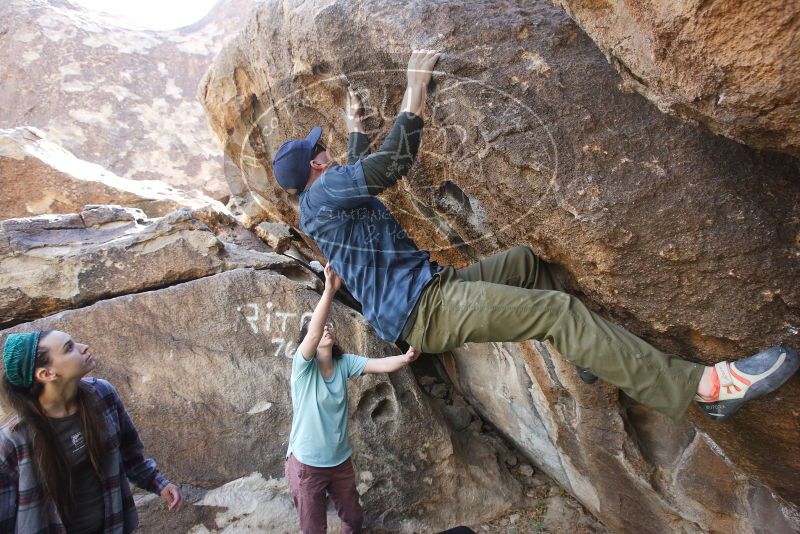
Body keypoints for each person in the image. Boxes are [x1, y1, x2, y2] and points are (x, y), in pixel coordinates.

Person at [270, 49, 799, 421]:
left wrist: (356, 124)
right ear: (317, 166)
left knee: (525, 261)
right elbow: (391, 165)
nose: (329, 152)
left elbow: (357, 172)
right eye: (323, 151)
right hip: (425, 307)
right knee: (557, 312)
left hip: (424, 297)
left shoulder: (315, 205)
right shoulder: (324, 194)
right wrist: (414, 89)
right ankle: (708, 389)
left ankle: (595, 354)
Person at [0, 330, 183, 533]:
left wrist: (158, 483)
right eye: (69, 348)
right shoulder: (13, 440)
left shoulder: (103, 395)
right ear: (46, 374)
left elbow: (130, 454)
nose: (83, 346)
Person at [286, 263, 419, 534]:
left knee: (354, 520)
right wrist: (330, 290)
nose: (325, 329)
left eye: (329, 326)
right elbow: (314, 331)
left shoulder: (344, 363)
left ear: (335, 337)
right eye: (320, 327)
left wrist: (405, 358)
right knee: (313, 529)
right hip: (307, 466)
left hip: (339, 461)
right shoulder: (302, 369)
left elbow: (379, 365)